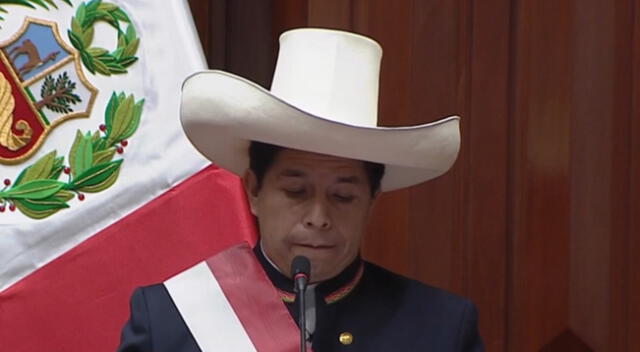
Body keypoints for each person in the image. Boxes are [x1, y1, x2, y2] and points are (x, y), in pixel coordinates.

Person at [118, 28, 484, 352]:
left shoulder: (440, 329)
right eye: (296, 192)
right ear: (253, 190)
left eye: (342, 197)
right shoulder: (169, 321)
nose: (318, 218)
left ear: (372, 201)